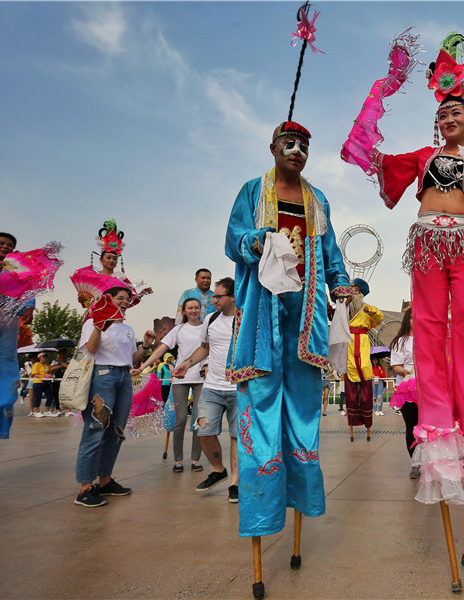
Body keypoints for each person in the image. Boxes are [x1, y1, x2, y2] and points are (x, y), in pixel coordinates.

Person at [342, 32, 464, 512]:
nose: (447, 119)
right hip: (426, 243)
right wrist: (377, 98)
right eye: (441, 115)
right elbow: (375, 159)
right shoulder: (424, 158)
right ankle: (439, 431)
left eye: (455, 114)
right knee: (427, 329)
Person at [225, 117, 355, 538]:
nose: (297, 150)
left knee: (303, 414)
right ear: (273, 147)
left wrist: (339, 282)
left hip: (306, 320)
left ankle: (301, 504)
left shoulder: (317, 199)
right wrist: (257, 241)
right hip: (263, 317)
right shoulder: (252, 190)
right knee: (260, 412)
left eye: (303, 145)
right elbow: (234, 237)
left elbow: (330, 249)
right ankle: (261, 516)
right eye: (289, 142)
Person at [74, 286, 149, 507]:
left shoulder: (127, 328)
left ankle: (105, 481)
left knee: (116, 431)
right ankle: (85, 488)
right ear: (108, 300)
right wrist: (99, 324)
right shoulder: (91, 323)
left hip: (124, 377)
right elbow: (92, 349)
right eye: (120, 298)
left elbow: (129, 358)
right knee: (96, 429)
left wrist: (144, 345)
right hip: (102, 376)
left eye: (127, 299)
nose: (125, 301)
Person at [172, 279, 240, 502]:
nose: (214, 300)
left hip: (239, 387)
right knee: (204, 431)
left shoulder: (244, 319)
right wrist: (187, 364)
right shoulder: (210, 319)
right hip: (212, 386)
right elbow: (204, 348)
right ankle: (219, 470)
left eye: (218, 296)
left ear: (232, 297)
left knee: (236, 436)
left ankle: (235, 483)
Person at [134, 298, 205, 473]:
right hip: (180, 378)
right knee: (180, 420)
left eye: (196, 307)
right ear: (184, 311)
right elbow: (161, 349)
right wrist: (143, 366)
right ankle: (178, 460)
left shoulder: (206, 328)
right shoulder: (178, 330)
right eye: (190, 308)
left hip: (202, 380)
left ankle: (195, 459)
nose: (193, 310)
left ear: (200, 310)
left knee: (198, 420)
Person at [0, 232, 35, 443]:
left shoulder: (15, 267)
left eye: (10, 245)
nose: (5, 247)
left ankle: (2, 402)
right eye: (1, 243)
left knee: (6, 359)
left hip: (9, 317)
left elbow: (28, 287)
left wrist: (29, 307)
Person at [344, 280, 384, 438]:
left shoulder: (368, 309)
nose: (352, 293)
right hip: (348, 343)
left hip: (363, 341)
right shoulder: (345, 308)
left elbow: (378, 319)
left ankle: (368, 423)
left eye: (355, 290)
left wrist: (370, 311)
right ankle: (352, 423)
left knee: (366, 379)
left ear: (360, 293)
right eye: (351, 290)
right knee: (351, 385)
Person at [389, 307, 418, 478]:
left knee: (426, 426)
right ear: (407, 320)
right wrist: (405, 372)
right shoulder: (400, 341)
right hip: (407, 389)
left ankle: (428, 461)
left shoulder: (427, 339)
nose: (415, 320)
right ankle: (415, 463)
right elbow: (397, 366)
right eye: (412, 317)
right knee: (412, 426)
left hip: (425, 388)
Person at [29, 352, 55, 418]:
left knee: (50, 395)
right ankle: (37, 412)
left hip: (46, 383)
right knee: (38, 397)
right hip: (38, 382)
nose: (45, 358)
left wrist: (49, 376)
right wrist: (44, 376)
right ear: (39, 358)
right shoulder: (36, 364)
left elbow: (49, 372)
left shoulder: (47, 365)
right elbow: (34, 374)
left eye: (46, 356)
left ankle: (47, 411)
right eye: (44, 356)